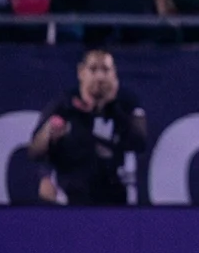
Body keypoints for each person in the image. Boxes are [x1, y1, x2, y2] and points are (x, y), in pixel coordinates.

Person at [29, 48, 151, 206]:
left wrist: (111, 106)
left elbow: (139, 142)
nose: (100, 77)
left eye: (106, 70)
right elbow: (34, 152)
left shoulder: (127, 104)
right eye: (93, 70)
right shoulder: (65, 105)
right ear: (81, 72)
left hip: (115, 199)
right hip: (71, 199)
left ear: (114, 74)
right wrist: (48, 133)